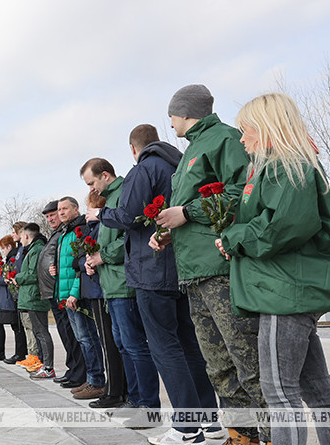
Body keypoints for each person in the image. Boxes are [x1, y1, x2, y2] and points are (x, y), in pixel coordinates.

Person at [216, 93, 330, 445]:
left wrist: (232, 238)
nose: (242, 140)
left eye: (246, 131)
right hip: (288, 288)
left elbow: (282, 227)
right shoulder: (283, 165)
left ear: (267, 127)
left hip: (284, 290)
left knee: (280, 393)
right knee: (317, 390)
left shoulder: (287, 166)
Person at [90, 125, 217, 444]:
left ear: (133, 148)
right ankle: (210, 423)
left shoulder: (144, 169)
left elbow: (129, 215)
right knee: (189, 346)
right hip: (181, 267)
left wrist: (101, 214)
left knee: (165, 347)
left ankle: (188, 429)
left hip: (151, 269)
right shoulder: (181, 164)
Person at [152, 85, 265, 444]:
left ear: (185, 112)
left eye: (172, 115)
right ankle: (240, 434)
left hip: (219, 268)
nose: (170, 124)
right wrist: (171, 230)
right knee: (217, 364)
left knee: (245, 357)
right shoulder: (190, 151)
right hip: (193, 272)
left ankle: (270, 434)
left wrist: (185, 212)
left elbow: (240, 194)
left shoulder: (225, 139)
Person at [82, 157, 160, 416]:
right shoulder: (108, 201)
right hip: (110, 285)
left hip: (124, 285)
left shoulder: (124, 194)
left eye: (92, 182)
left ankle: (148, 404)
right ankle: (134, 398)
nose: (91, 189)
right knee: (123, 345)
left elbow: (131, 237)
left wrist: (103, 256)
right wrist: (93, 258)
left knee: (135, 345)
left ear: (105, 175)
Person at [78, 190, 127, 408]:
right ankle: (114, 387)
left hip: (105, 287)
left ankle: (114, 389)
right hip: (100, 285)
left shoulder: (101, 225)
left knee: (111, 343)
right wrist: (87, 262)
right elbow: (80, 258)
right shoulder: (92, 227)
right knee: (112, 342)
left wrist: (92, 261)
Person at [50, 197, 103, 399]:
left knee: (88, 338)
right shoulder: (64, 233)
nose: (61, 212)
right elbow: (67, 265)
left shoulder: (80, 230)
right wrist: (54, 270)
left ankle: (97, 381)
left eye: (65, 208)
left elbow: (81, 266)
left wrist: (74, 292)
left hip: (77, 294)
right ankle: (90, 379)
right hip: (65, 294)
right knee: (81, 339)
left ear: (75, 209)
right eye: (59, 209)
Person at [41, 200, 86, 388]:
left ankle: (81, 373)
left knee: (78, 336)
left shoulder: (71, 232)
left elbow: (76, 262)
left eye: (56, 213)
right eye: (50, 215)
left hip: (67, 291)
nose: (53, 217)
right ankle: (73, 369)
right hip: (57, 289)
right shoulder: (59, 234)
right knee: (68, 335)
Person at [12, 223, 54, 379]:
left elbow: (33, 275)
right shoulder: (33, 249)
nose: (21, 241)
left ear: (27, 236)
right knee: (38, 332)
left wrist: (17, 278)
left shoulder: (36, 250)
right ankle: (45, 365)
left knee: (42, 333)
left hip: (34, 297)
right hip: (30, 298)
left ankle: (48, 367)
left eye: (22, 237)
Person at [0, 234, 27, 364]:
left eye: (3, 248)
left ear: (9, 247)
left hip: (13, 297)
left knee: (18, 327)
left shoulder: (13, 259)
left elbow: (10, 278)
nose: (2, 251)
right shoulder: (10, 259)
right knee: (16, 327)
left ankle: (20, 353)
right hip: (10, 297)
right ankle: (19, 353)